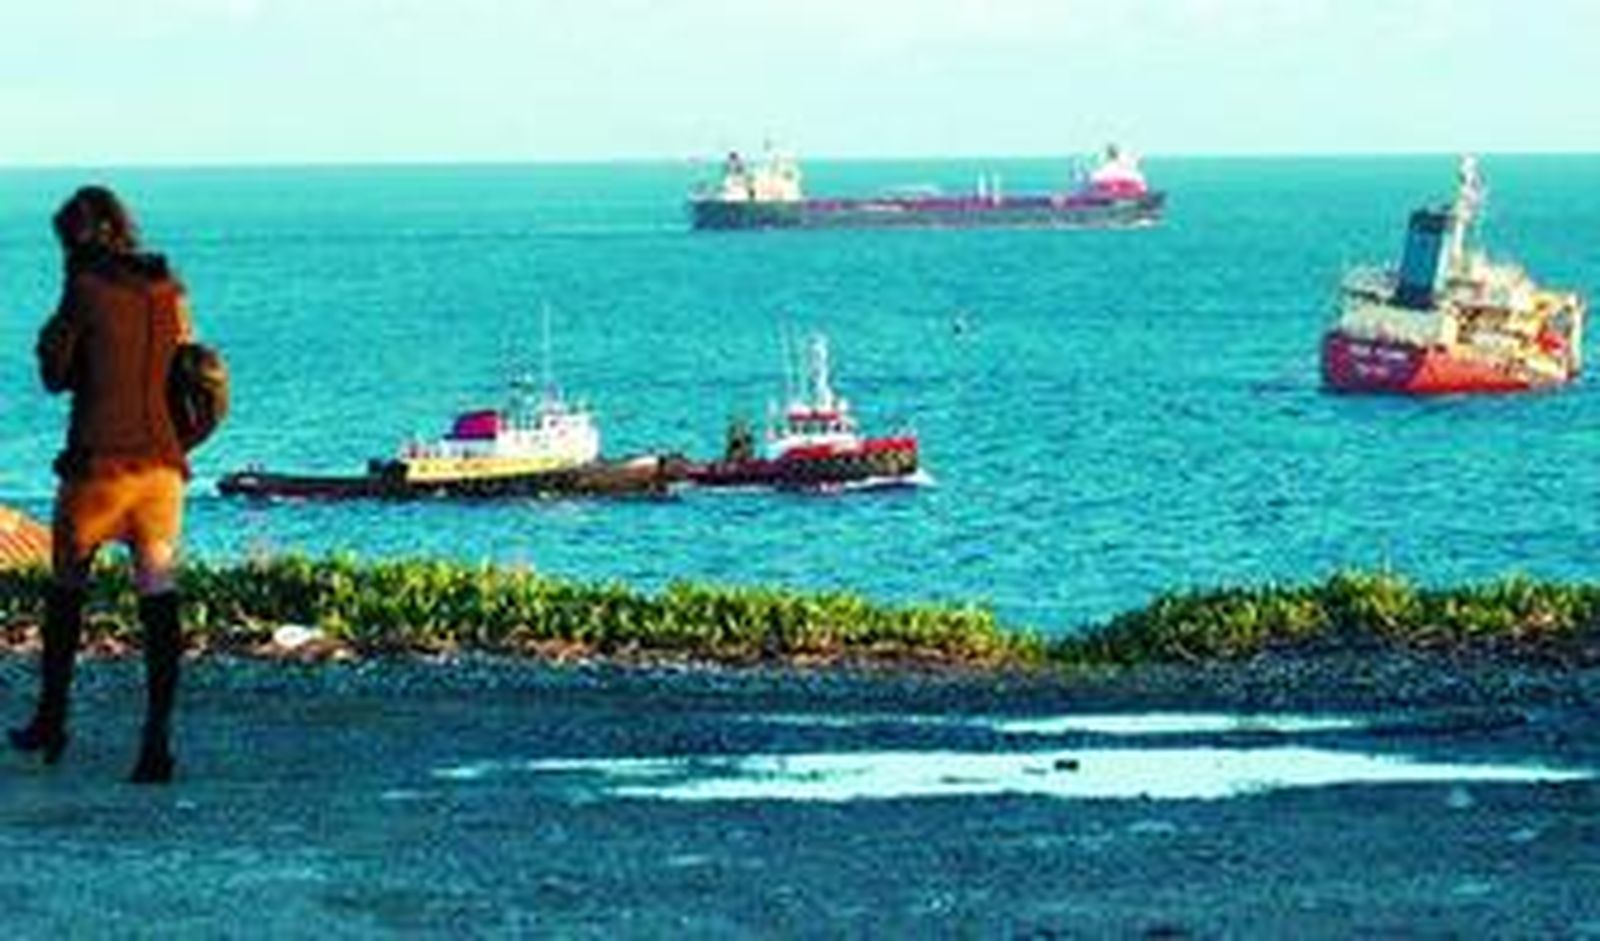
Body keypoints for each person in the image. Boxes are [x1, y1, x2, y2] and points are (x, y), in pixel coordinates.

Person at [10, 185, 195, 784]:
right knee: (157, 598)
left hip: (100, 468)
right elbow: (186, 359)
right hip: (163, 469)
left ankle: (52, 719)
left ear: (75, 238)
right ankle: (156, 741)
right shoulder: (171, 288)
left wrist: (51, 338)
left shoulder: (84, 287)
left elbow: (56, 376)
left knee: (67, 590)